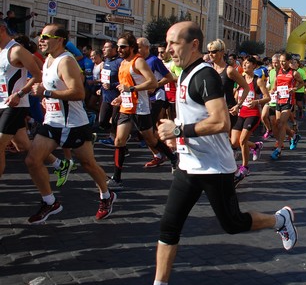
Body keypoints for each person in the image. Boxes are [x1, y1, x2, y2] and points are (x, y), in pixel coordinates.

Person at [136, 22, 297, 285]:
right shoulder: (184, 74)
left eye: (174, 42)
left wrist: (177, 129)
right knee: (169, 226)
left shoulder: (204, 75)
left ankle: (280, 220)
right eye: (166, 42)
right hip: (188, 165)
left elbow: (221, 122)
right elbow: (195, 116)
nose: (167, 48)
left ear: (194, 44)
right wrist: (178, 133)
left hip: (214, 167)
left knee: (232, 223)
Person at [23, 24, 115, 223]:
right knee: (32, 160)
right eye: (41, 35)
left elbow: (78, 93)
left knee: (88, 164)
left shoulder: (66, 61)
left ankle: (107, 196)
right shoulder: (48, 59)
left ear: (60, 40)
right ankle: (50, 202)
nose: (41, 39)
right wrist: (46, 100)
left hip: (74, 124)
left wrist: (47, 93)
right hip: (52, 122)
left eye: (46, 36)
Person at [109, 33, 177, 188]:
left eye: (123, 47)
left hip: (140, 107)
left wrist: (132, 89)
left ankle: (172, 158)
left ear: (131, 47)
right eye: (118, 46)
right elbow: (125, 86)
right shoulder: (122, 63)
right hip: (126, 107)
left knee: (150, 139)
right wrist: (120, 97)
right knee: (119, 140)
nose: (119, 49)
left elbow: (152, 82)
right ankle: (116, 177)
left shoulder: (138, 62)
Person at [0, 20, 42, 177]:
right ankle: (59, 163)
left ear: (2, 29)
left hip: (16, 104)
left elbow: (38, 74)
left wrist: (20, 93)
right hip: (2, 102)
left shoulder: (17, 50)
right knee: (22, 144)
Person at [231, 56, 270, 186]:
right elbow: (236, 96)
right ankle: (255, 146)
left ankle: (245, 167)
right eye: (244, 62)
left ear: (254, 66)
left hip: (253, 113)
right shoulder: (240, 80)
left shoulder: (257, 81)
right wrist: (235, 106)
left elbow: (267, 97)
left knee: (242, 141)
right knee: (234, 141)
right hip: (241, 113)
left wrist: (256, 101)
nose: (246, 65)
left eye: (248, 63)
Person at [270, 52, 304, 160]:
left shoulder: (294, 73)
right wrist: (273, 90)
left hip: (289, 101)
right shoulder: (278, 72)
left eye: (284, 61)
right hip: (279, 100)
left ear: (289, 61)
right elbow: (275, 85)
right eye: (280, 61)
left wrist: (294, 88)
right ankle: (294, 136)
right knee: (277, 123)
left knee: (281, 123)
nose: (282, 63)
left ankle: (278, 149)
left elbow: (302, 83)